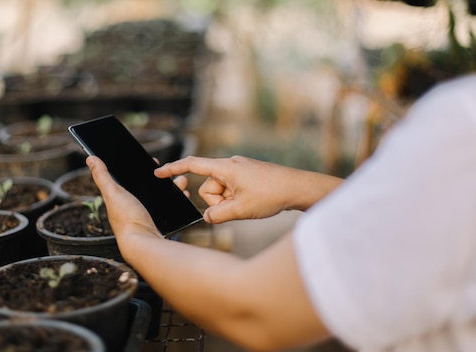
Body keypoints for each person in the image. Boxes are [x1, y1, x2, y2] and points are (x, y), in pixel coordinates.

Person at [86, 73, 476, 352]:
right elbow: (420, 224)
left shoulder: (462, 119)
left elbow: (254, 310)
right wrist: (297, 187)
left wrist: (136, 233)